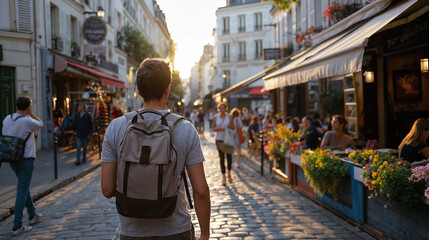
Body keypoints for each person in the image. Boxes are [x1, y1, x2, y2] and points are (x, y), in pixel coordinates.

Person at [101, 58, 210, 240]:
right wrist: (205, 235)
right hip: (176, 230)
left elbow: (107, 189)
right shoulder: (185, 129)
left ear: (138, 90)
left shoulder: (116, 127)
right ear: (167, 89)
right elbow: (201, 190)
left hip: (131, 232)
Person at [2, 97, 43, 236]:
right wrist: (31, 114)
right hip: (26, 159)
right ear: (28, 107)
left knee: (24, 187)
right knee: (22, 189)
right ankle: (17, 225)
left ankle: (32, 215)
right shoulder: (27, 121)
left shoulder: (7, 118)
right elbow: (40, 124)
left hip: (12, 159)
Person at [213, 102, 234, 186]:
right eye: (220, 108)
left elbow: (233, 126)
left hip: (228, 139)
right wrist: (218, 128)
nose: (222, 110)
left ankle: (229, 173)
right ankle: (224, 176)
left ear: (226, 109)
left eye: (223, 108)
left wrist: (228, 126)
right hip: (219, 140)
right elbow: (213, 128)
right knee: (221, 158)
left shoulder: (229, 116)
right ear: (218, 109)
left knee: (229, 157)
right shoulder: (215, 117)